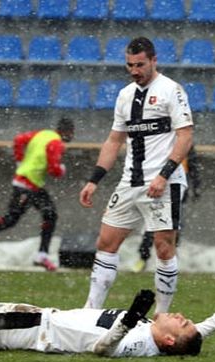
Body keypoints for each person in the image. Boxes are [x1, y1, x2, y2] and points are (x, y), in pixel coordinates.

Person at [79, 37, 194, 314]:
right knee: (106, 242)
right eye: (130, 65)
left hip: (163, 183)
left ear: (154, 61)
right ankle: (90, 311)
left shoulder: (171, 90)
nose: (134, 70)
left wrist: (164, 175)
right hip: (130, 181)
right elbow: (114, 140)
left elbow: (186, 134)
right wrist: (94, 179)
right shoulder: (125, 95)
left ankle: (162, 315)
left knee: (163, 247)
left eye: (140, 64)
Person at [0, 289, 215, 358]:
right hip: (41, 320)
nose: (182, 317)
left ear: (169, 341)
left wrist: (128, 319)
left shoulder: (138, 342)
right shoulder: (158, 337)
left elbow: (103, 348)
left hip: (35, 327)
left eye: (182, 323)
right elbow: (194, 337)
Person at [0, 117, 75, 272]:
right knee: (16, 219)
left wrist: (20, 160)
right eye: (72, 133)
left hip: (30, 183)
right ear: (67, 132)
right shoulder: (56, 143)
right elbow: (54, 169)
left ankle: (41, 255)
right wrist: (61, 169)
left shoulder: (43, 134)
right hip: (27, 184)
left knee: (48, 215)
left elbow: (19, 139)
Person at [130, 146, 201, 273]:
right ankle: (143, 257)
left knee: (174, 225)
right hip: (158, 187)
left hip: (177, 189)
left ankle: (170, 258)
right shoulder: (161, 141)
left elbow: (193, 166)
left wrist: (196, 186)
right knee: (153, 224)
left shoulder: (186, 143)